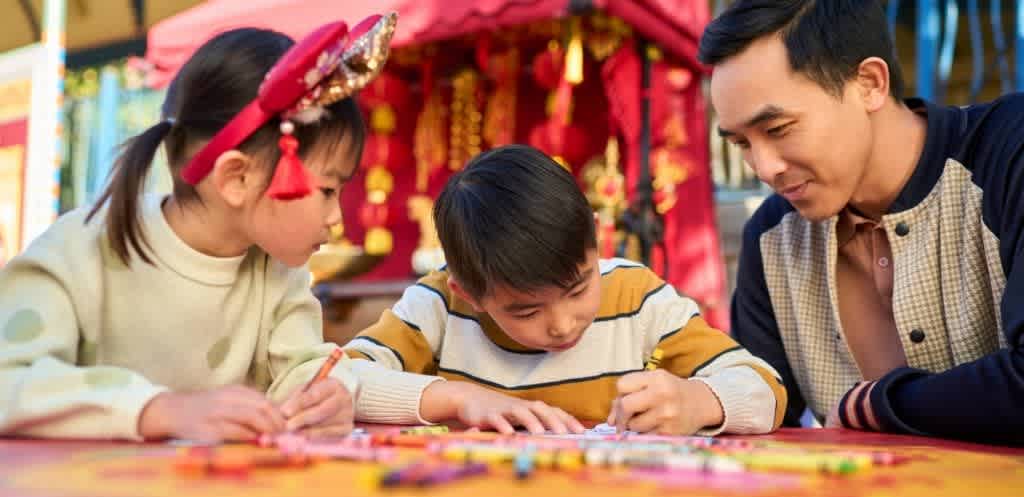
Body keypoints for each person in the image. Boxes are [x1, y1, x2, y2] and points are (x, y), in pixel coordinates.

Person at [0, 14, 409, 442]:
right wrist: (155, 410)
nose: (336, 218)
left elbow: (304, 367)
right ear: (236, 178)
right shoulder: (79, 248)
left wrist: (328, 395)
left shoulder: (276, 272)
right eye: (327, 190)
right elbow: (9, 376)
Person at [700, 0, 1024, 444]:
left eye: (777, 129)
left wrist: (878, 406)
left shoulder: (1009, 157)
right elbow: (759, 424)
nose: (764, 166)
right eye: (741, 143)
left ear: (869, 84)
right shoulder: (772, 240)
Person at [343, 145, 786, 435]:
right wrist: (457, 398)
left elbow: (766, 389)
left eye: (578, 289)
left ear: (594, 240)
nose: (562, 324)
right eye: (526, 312)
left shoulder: (635, 296)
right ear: (471, 295)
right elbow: (338, 382)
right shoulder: (440, 304)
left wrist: (698, 401)